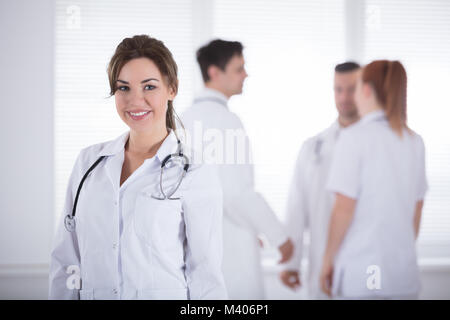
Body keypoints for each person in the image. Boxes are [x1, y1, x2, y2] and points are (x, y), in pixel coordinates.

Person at [48, 35, 227, 300]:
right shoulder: (88, 163)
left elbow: (205, 275)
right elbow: (66, 262)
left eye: (149, 87)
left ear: (172, 89)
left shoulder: (194, 171)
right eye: (123, 88)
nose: (135, 100)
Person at [181, 39, 293, 299]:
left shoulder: (184, 118)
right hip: (228, 259)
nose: (245, 74)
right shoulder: (224, 120)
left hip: (201, 250)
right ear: (214, 72)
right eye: (238, 68)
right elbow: (236, 193)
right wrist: (279, 237)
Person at [320, 60, 428, 299]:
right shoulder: (414, 141)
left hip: (365, 272)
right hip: (403, 275)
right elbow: (417, 208)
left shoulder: (354, 138)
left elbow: (343, 210)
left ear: (366, 89)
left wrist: (328, 260)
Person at [280, 62, 361, 299]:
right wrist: (291, 263)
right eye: (338, 89)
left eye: (351, 89)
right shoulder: (313, 147)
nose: (344, 97)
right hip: (321, 267)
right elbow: (296, 209)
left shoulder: (380, 146)